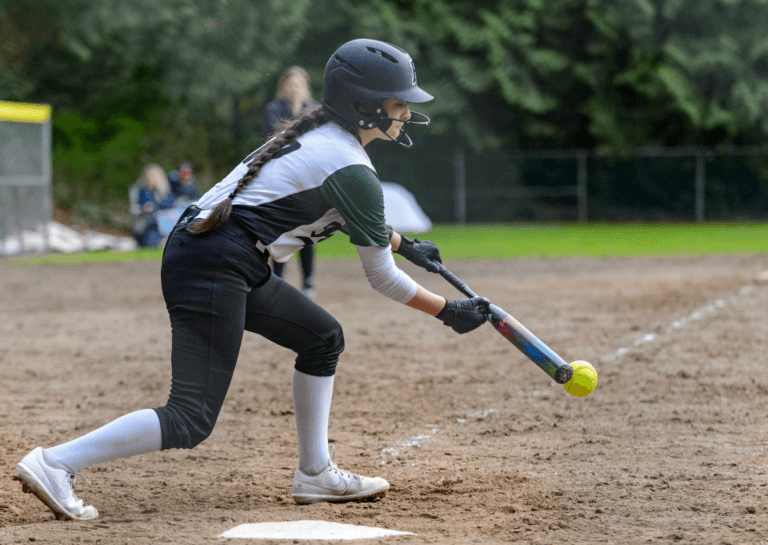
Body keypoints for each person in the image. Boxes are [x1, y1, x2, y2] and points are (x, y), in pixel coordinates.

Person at [13, 39, 490, 521]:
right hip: (216, 261)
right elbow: (382, 279)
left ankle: (315, 473)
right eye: (397, 102)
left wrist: (405, 244)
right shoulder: (351, 166)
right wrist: (446, 311)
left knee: (323, 338)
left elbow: (335, 211)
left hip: (218, 255)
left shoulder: (325, 137)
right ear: (363, 105)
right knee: (190, 417)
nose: (406, 112)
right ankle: (55, 463)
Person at [262, 66, 319, 297]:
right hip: (282, 174)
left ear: (306, 87)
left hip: (307, 175)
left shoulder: (315, 108)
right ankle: (278, 279)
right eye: (291, 85)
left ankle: (307, 280)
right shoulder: (273, 108)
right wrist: (295, 111)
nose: (296, 89)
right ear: (283, 86)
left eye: (300, 85)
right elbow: (273, 137)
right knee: (282, 228)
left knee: (307, 227)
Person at [130, 163, 176, 247]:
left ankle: (165, 241)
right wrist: (143, 209)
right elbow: (134, 209)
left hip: (165, 224)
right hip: (147, 223)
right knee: (151, 236)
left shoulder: (166, 193)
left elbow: (171, 207)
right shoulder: (142, 191)